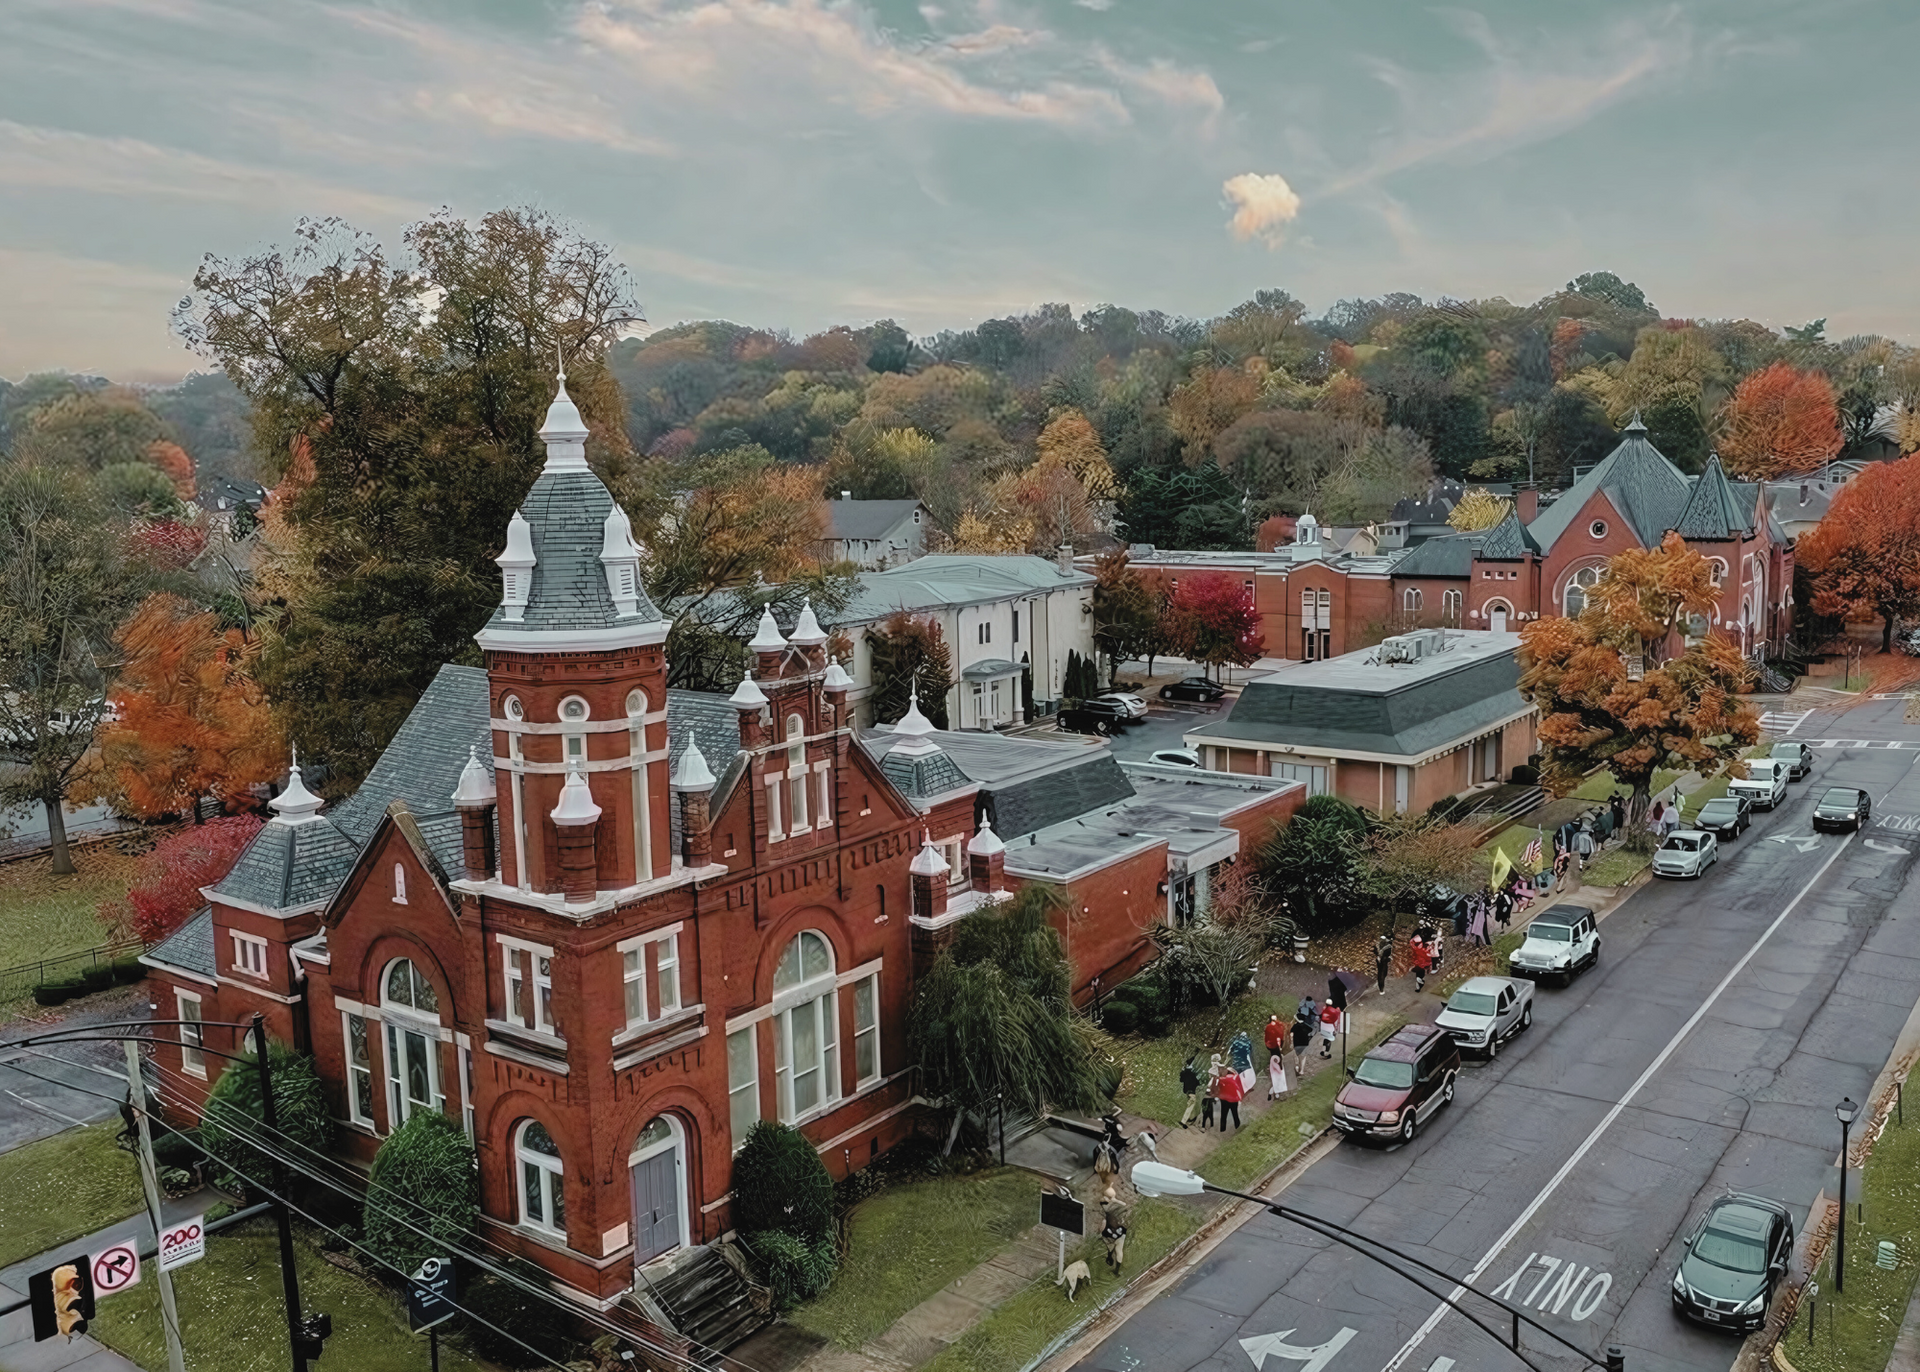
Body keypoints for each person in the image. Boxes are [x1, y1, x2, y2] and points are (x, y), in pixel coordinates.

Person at [1216, 1058, 1245, 1131]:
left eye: (1222, 1070)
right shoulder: (1229, 1075)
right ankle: (1224, 1130)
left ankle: (1236, 1128)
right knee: (1225, 1115)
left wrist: (1219, 1079)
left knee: (1233, 1114)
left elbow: (1230, 1080)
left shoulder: (1231, 1076)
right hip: (1226, 1098)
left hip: (1231, 1099)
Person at [1178, 1055, 1201, 1129]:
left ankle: (1189, 1119)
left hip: (1187, 1091)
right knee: (1190, 1107)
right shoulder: (1193, 1073)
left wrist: (1182, 1072)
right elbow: (1197, 1083)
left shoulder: (1184, 1072)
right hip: (1192, 1093)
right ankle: (1183, 1121)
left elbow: (1181, 1080)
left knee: (1189, 1106)